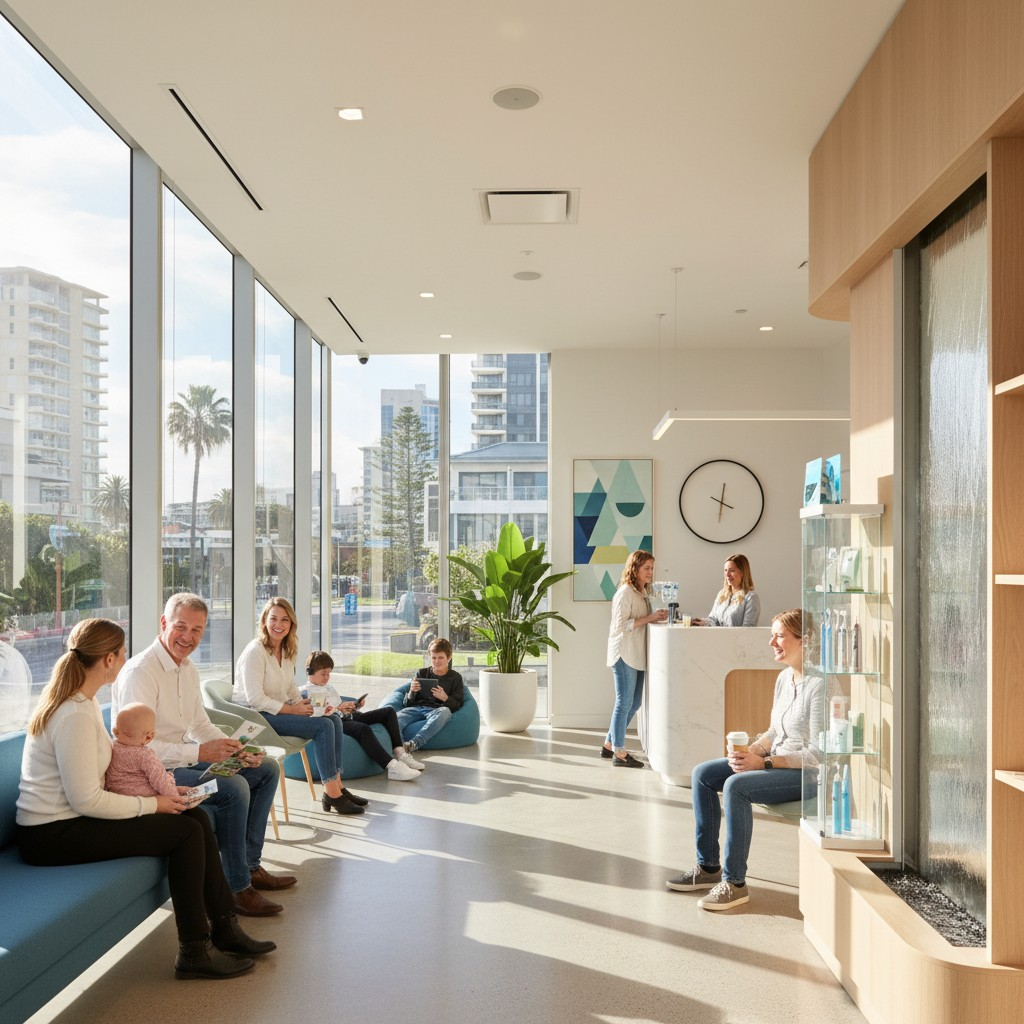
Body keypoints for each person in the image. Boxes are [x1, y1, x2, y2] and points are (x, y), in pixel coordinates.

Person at [16, 618, 275, 980]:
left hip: (71, 821)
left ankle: (225, 929)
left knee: (195, 818)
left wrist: (164, 791)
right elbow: (85, 801)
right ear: (108, 659)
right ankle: (194, 950)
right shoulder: (73, 713)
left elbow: (102, 782)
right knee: (184, 832)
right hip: (51, 835)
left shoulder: (85, 702)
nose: (124, 660)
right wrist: (154, 804)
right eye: (121, 654)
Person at [113, 593, 294, 918]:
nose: (188, 637)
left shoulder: (188, 669)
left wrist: (232, 748)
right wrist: (200, 752)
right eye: (181, 627)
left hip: (181, 762)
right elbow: (138, 749)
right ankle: (236, 888)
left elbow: (199, 723)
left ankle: (250, 867)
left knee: (265, 768)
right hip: (148, 776)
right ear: (164, 623)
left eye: (197, 630)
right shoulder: (141, 673)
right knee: (234, 788)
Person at [667, 608, 823, 911]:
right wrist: (753, 751)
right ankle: (708, 867)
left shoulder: (819, 686)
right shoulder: (783, 678)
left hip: (805, 775)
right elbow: (773, 731)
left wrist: (763, 764)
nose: (771, 642)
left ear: (804, 640)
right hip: (774, 762)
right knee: (702, 774)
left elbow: (818, 754)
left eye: (779, 636)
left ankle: (735, 883)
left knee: (736, 785)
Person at [233, 597, 366, 816]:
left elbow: (290, 687)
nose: (279, 624)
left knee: (332, 719)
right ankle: (331, 793)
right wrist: (293, 710)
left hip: (276, 710)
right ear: (265, 620)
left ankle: (338, 786)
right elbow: (255, 699)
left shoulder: (285, 650)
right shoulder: (255, 651)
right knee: (323, 726)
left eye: (285, 620)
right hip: (256, 717)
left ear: (291, 624)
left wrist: (305, 705)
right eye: (274, 618)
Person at [304, 651, 422, 780]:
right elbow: (319, 712)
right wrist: (338, 708)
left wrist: (353, 707)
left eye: (328, 674)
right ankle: (393, 767)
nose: (326, 677)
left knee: (388, 712)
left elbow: (336, 705)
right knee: (362, 729)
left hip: (345, 716)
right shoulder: (311, 691)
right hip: (334, 722)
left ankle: (400, 754)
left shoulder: (327, 687)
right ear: (310, 672)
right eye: (323, 674)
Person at [601, 550, 668, 767]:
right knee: (624, 701)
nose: (650, 572)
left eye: (652, 568)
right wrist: (650, 617)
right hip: (624, 653)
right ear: (635, 568)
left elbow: (641, 622)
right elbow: (620, 626)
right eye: (647, 568)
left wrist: (656, 618)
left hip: (636, 653)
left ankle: (609, 744)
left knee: (635, 702)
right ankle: (619, 753)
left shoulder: (642, 593)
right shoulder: (625, 593)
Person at [399, 637, 463, 753]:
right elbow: (406, 704)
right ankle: (400, 748)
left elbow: (458, 705)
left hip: (437, 711)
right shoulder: (421, 673)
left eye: (441, 658)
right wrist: (412, 692)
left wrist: (445, 698)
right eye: (433, 658)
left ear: (448, 658)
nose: (436, 661)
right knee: (395, 717)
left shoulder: (455, 677)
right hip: (416, 709)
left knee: (445, 712)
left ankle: (413, 744)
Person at [105, 702, 180, 798]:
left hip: (118, 796)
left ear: (115, 731)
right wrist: (176, 797)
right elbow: (160, 781)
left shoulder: (112, 746)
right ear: (148, 737)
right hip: (143, 797)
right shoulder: (145, 755)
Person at [692, 553, 761, 627]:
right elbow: (713, 620)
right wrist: (700, 622)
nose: (727, 575)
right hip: (718, 638)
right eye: (725, 570)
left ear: (742, 572)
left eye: (732, 570)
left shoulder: (751, 598)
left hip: (736, 638)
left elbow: (748, 629)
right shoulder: (722, 594)